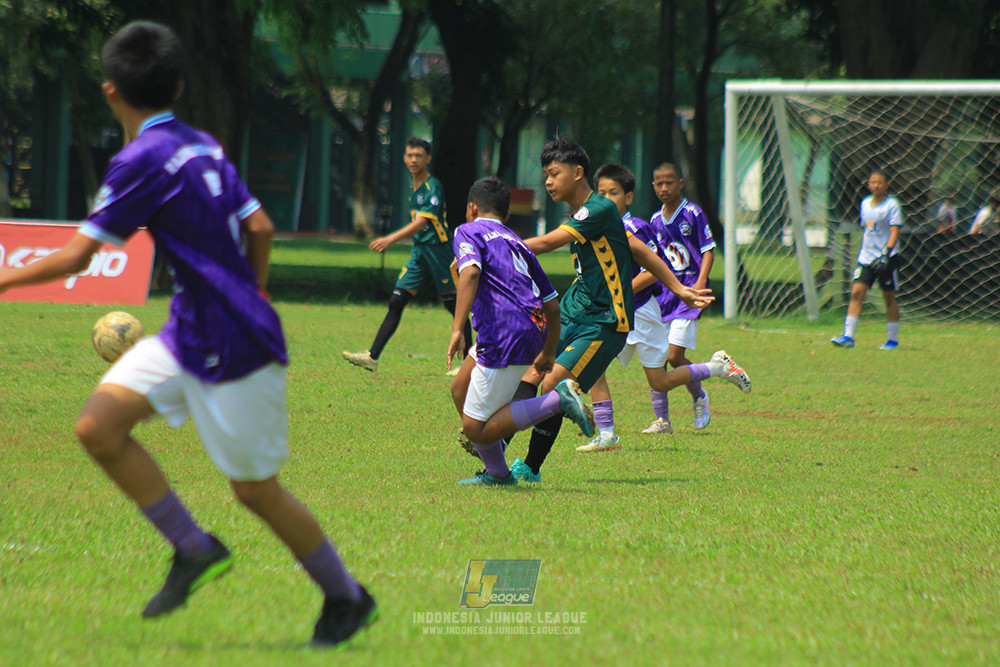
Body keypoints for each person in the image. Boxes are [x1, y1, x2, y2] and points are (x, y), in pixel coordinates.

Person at [0, 22, 375, 646]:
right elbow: (260, 227)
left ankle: (347, 596)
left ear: (110, 91)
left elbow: (75, 258)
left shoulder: (138, 158)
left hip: (236, 346)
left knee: (255, 491)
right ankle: (195, 548)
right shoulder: (200, 144)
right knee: (98, 426)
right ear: (177, 85)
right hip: (189, 332)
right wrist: (249, 293)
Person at [506, 138, 747, 481]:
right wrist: (680, 288)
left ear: (577, 173)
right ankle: (497, 459)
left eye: (553, 173)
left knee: (556, 385)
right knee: (534, 374)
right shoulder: (591, 214)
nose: (546, 181)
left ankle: (530, 467)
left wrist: (494, 243)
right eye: (545, 174)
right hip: (575, 310)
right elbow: (641, 251)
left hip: (604, 320)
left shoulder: (596, 210)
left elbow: (545, 243)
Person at [445, 176, 594, 485]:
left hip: (503, 331)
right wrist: (549, 349)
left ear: (471, 208)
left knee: (475, 429)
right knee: (460, 386)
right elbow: (552, 304)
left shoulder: (467, 230)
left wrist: (457, 327)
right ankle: (498, 469)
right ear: (506, 215)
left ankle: (557, 401)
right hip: (530, 328)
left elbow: (471, 272)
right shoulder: (517, 241)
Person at [343, 137, 472, 372]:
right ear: (404, 158)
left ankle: (469, 364)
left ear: (428, 159)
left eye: (419, 155)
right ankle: (372, 357)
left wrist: (390, 239)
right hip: (420, 252)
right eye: (410, 155)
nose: (414, 159)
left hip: (438, 250)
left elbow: (422, 223)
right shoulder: (413, 186)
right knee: (397, 300)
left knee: (454, 305)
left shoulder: (433, 187)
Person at [574, 163, 670, 452]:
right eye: (600, 193)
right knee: (595, 364)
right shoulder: (599, 226)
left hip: (641, 311)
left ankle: (716, 368)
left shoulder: (635, 227)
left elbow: (653, 270)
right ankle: (606, 433)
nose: (606, 199)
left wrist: (622, 291)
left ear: (628, 197)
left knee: (659, 380)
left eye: (613, 193)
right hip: (614, 313)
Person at [644, 162, 716, 435]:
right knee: (657, 357)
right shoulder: (653, 221)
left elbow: (708, 249)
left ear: (681, 183)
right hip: (664, 295)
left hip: (689, 295)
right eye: (659, 183)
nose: (664, 187)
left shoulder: (692, 213)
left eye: (669, 182)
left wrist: (699, 282)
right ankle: (662, 420)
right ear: (653, 186)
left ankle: (699, 396)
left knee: (674, 355)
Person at [831, 168, 903, 350]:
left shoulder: (892, 204)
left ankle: (892, 340)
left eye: (879, 182)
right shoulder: (864, 203)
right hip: (866, 258)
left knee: (889, 297)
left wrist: (886, 253)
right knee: (856, 293)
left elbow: (895, 231)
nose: (876, 185)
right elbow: (868, 230)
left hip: (886, 257)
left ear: (886, 184)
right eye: (872, 182)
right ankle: (848, 336)